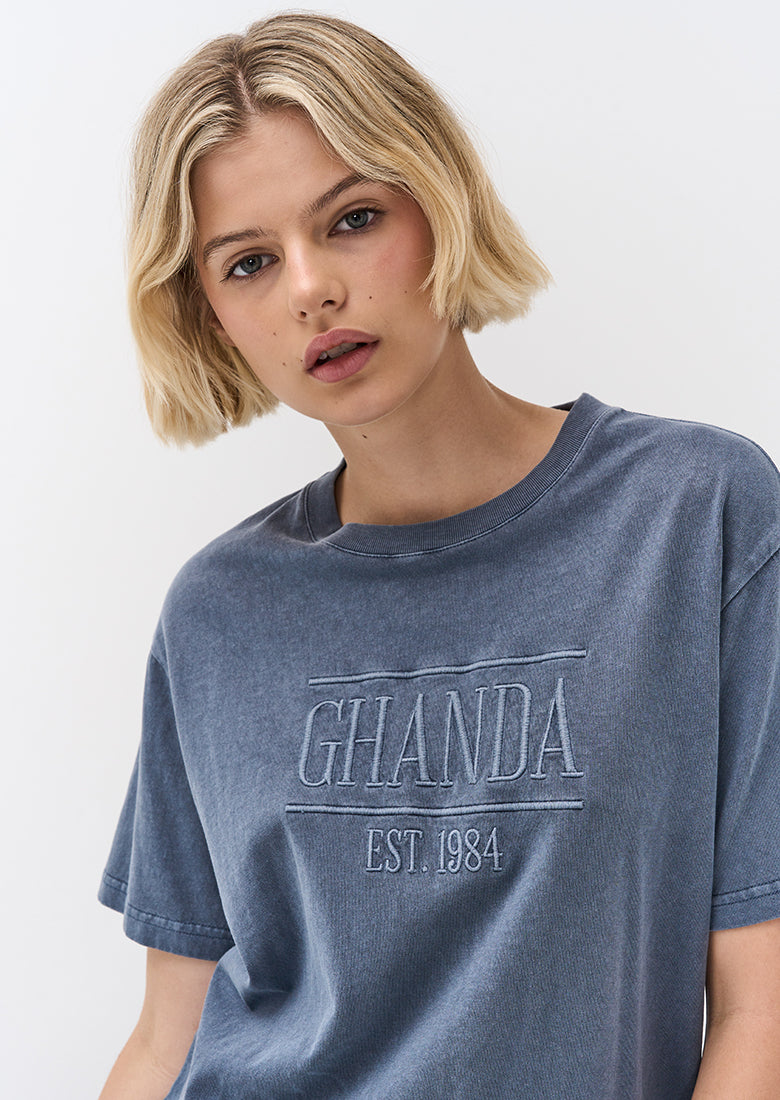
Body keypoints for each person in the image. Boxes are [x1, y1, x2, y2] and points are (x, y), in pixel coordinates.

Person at [98, 12, 780, 1099]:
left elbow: (761, 1010)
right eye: (249, 262)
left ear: (441, 201)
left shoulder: (695, 515)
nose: (310, 289)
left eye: (353, 218)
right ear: (214, 317)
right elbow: (162, 1041)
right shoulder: (218, 610)